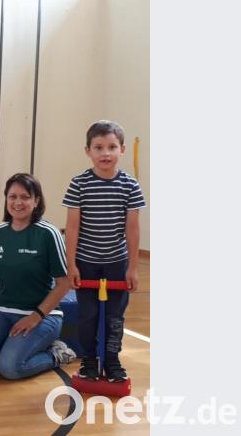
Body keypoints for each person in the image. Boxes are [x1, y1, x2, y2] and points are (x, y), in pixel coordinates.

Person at [63, 120, 146, 383]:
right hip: (86, 261)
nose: (105, 153)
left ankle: (112, 360)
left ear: (122, 149)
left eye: (111, 147)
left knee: (114, 316)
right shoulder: (79, 184)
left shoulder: (129, 186)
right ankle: (89, 359)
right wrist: (71, 264)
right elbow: (72, 227)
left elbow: (132, 230)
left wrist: (132, 267)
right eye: (98, 147)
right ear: (88, 150)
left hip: (116, 262)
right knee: (87, 314)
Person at [0, 173, 76, 380]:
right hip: (3, 312)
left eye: (25, 197)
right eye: (12, 196)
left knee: (10, 368)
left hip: (43, 315)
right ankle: (10, 348)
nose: (18, 202)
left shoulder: (48, 234)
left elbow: (64, 285)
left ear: (36, 201)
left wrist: (35, 316)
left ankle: (56, 354)